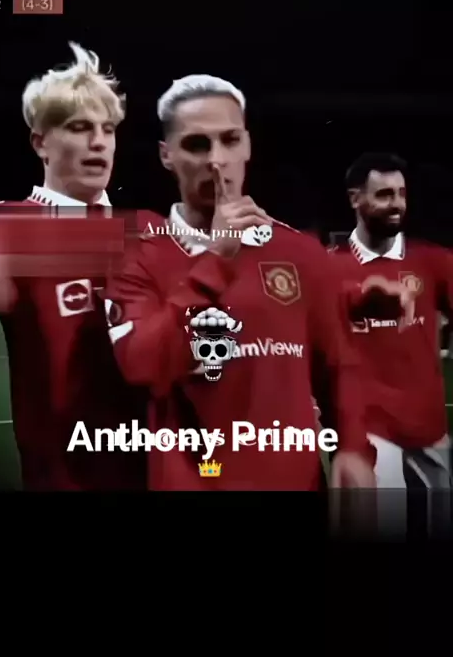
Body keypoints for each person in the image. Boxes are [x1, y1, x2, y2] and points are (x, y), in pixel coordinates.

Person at [104, 74, 376, 492]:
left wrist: (352, 447)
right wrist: (217, 258)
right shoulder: (138, 257)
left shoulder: (300, 253)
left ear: (247, 145)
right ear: (166, 155)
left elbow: (340, 366)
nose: (216, 160)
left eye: (230, 140)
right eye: (197, 145)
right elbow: (143, 367)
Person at [0, 42, 146, 490]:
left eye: (108, 129)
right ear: (41, 143)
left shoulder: (148, 229)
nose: (99, 142)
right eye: (79, 127)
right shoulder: (6, 226)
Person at [329, 152, 452, 531]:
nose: (396, 203)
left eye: (401, 193)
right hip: (371, 431)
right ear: (355, 199)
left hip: (429, 428)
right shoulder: (329, 267)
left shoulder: (433, 261)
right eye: (384, 194)